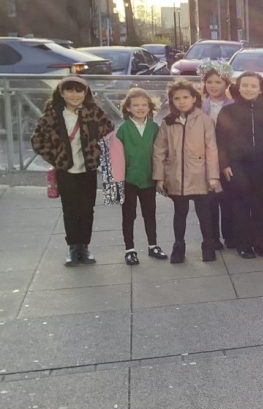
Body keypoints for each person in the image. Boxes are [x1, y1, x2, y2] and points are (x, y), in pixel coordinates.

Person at [31, 75, 115, 266]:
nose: (74, 95)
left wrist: (96, 153)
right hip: (66, 171)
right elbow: (37, 140)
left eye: (79, 90)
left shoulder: (93, 111)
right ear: (61, 92)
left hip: (88, 169)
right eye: (69, 90)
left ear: (86, 93)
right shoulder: (53, 114)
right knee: (70, 209)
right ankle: (73, 247)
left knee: (87, 209)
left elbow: (109, 132)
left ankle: (84, 246)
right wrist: (56, 158)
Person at [153, 79, 221, 264]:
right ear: (172, 101)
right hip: (176, 175)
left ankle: (208, 245)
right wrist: (159, 177)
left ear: (194, 98)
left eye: (185, 97)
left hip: (200, 175)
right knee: (180, 212)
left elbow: (211, 148)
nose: (181, 101)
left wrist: (213, 176)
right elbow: (159, 150)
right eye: (177, 98)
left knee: (204, 212)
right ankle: (178, 246)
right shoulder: (168, 122)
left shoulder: (205, 120)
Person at [216, 71, 263, 259]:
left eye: (253, 86)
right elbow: (220, 140)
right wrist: (224, 164)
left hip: (261, 164)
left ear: (260, 89)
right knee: (240, 204)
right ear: (238, 87)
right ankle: (243, 243)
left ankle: (260, 242)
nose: (248, 89)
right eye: (245, 85)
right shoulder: (228, 111)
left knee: (259, 204)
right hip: (236, 165)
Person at [116, 88, 166, 265]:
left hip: (148, 178)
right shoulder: (123, 129)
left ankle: (153, 245)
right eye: (136, 105)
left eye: (144, 105)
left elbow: (160, 152)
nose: (140, 108)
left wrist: (160, 176)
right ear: (128, 108)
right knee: (129, 215)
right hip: (128, 180)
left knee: (150, 213)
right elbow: (116, 158)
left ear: (150, 107)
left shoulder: (154, 127)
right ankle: (130, 249)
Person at [201, 62, 234, 250]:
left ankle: (230, 235)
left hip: (226, 157)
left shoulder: (233, 106)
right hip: (205, 159)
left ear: (226, 84)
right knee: (209, 200)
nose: (213, 86)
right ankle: (212, 237)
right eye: (210, 82)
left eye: (218, 82)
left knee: (227, 199)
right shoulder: (198, 106)